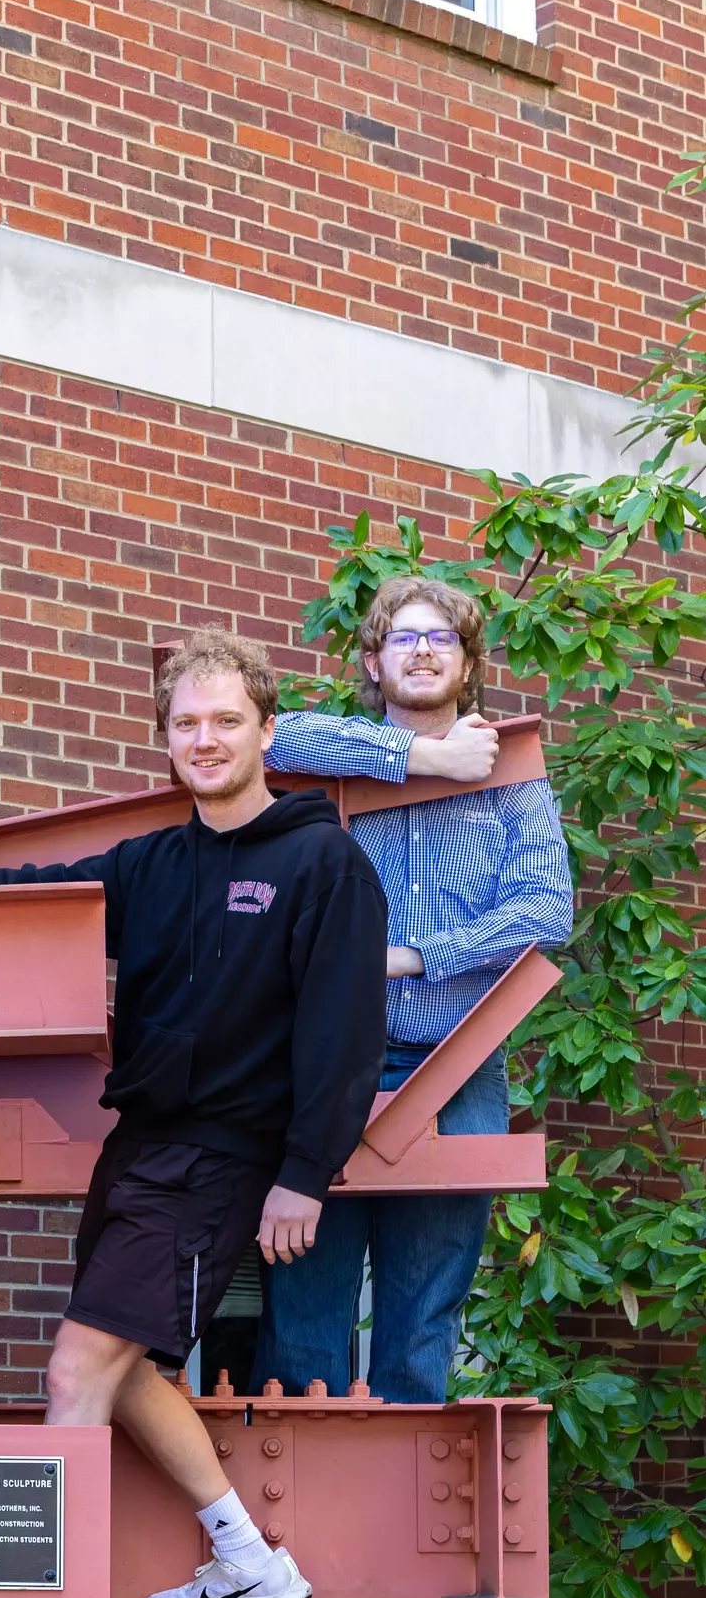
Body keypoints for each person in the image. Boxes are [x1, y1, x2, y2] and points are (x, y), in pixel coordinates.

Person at [0, 629, 389, 1598]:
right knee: (129, 1369)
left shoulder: (321, 862)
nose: (204, 738)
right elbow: (38, 903)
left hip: (221, 1157)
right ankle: (249, 1560)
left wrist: (303, 1173)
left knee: (74, 1366)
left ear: (266, 731)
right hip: (139, 1149)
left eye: (225, 720)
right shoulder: (150, 865)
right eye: (185, 723)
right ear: (163, 737)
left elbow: (343, 1029)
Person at [258, 575, 574, 1402]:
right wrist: (420, 758)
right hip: (326, 1070)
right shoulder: (334, 766)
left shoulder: (514, 775)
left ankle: (404, 1515)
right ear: (373, 659)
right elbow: (270, 737)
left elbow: (545, 910)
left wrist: (414, 955)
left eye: (442, 637)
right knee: (303, 1319)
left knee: (423, 1320)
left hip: (457, 1064)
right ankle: (295, 1521)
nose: (423, 650)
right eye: (404, 637)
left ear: (468, 665)